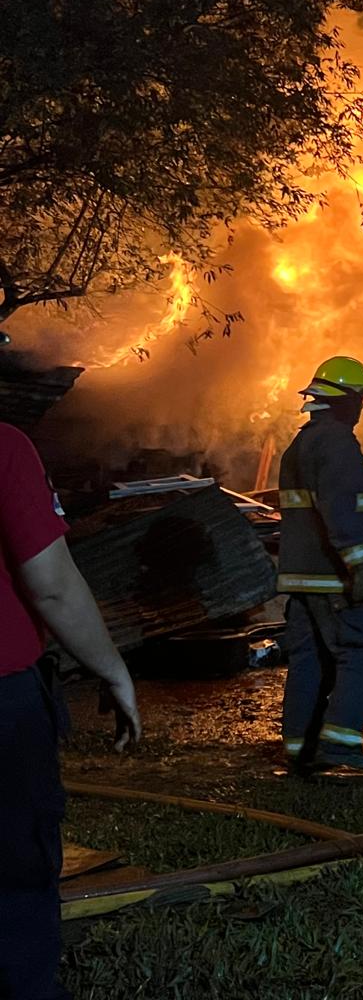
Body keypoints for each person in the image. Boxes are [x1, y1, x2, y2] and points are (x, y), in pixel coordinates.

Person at [0, 421, 141, 1000]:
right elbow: (52, 584)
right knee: (13, 874)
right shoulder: (5, 447)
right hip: (2, 700)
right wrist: (112, 670)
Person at [276, 356, 363, 771]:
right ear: (345, 401)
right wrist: (359, 565)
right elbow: (342, 510)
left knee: (310, 662)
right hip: (336, 579)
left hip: (303, 580)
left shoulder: (301, 443)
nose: (361, 410)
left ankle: (299, 748)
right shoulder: (338, 442)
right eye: (359, 401)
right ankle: (339, 748)